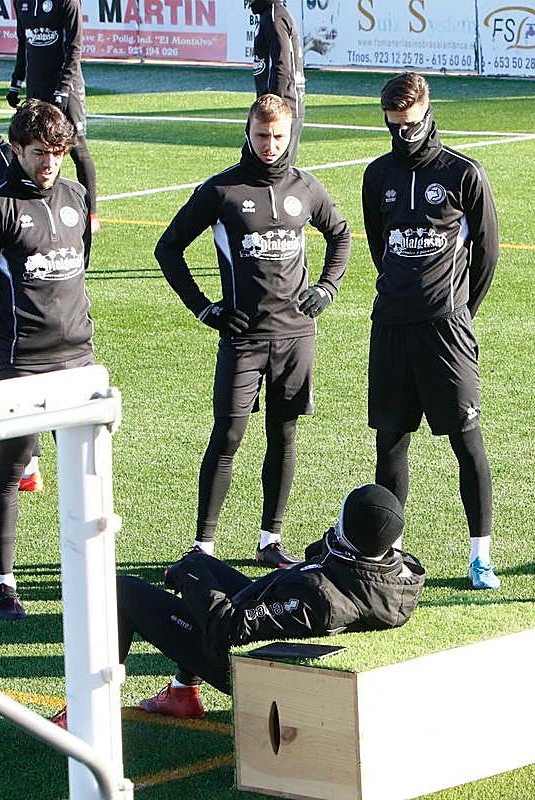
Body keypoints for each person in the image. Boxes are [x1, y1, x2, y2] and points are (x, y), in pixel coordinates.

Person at [155, 94, 350, 569]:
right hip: (242, 338)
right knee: (227, 435)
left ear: (290, 135)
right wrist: (205, 310)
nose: (270, 145)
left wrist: (327, 288)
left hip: (296, 336)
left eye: (279, 136)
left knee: (283, 437)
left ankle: (270, 540)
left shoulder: (305, 187)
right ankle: (203, 547)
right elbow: (169, 249)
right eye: (262, 135)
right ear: (248, 131)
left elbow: (340, 234)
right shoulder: (222, 190)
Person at [50, 484, 425, 725]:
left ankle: (84, 714)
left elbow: (227, 629)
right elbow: (314, 563)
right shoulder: (393, 575)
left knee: (121, 590)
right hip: (293, 632)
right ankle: (182, 691)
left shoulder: (318, 597)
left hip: (249, 668)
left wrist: (191, 578)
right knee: (206, 569)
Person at [361, 72, 501, 589]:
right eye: (395, 126)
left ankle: (480, 555)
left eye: (412, 124)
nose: (404, 135)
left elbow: (487, 252)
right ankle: (389, 555)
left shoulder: (464, 173)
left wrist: (459, 307)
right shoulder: (377, 175)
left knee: (466, 441)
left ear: (428, 112)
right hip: (392, 327)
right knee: (391, 442)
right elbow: (381, 245)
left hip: (446, 331)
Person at [0, 100, 93, 621]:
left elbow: (79, 266)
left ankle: (87, 573)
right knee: (10, 469)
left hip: (78, 358)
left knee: (86, 472)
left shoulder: (75, 195)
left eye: (56, 153)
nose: (48, 163)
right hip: (20, 362)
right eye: (38, 153)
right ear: (17, 150)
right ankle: (4, 582)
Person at [0, 128, 45, 488]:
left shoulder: (0, 158)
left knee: (12, 368)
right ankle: (26, 463)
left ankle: (21, 458)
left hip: (8, 283)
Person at [7, 0, 98, 231]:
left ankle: (92, 215)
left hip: (67, 88)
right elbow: (23, 42)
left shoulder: (67, 2)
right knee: (35, 147)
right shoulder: (21, 2)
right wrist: (16, 82)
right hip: (36, 88)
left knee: (76, 149)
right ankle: (38, 206)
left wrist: (63, 89)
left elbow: (75, 47)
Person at [249, 0, 306, 163]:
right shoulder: (271, 15)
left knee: (277, 171)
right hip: (281, 106)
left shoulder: (275, 17)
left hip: (282, 107)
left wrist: (274, 108)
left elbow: (282, 66)